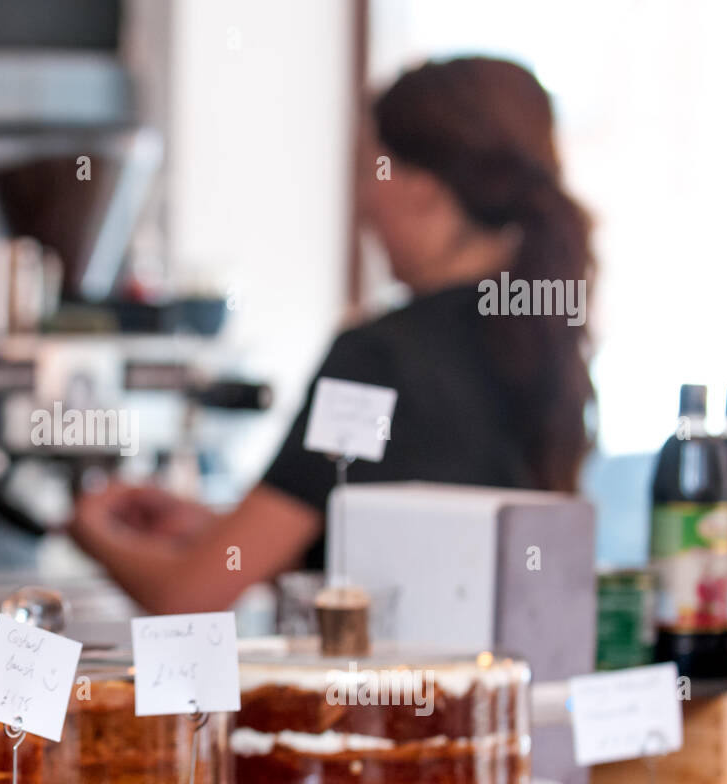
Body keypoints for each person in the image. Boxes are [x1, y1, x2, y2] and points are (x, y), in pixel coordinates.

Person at [69, 56, 595, 614]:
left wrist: (86, 532)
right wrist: (212, 529)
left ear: (423, 190)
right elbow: (400, 553)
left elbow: (189, 596)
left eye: (372, 170)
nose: (365, 204)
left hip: (378, 700)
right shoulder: (542, 345)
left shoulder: (378, 360)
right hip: (504, 695)